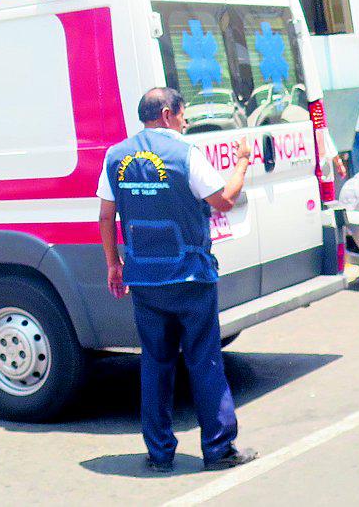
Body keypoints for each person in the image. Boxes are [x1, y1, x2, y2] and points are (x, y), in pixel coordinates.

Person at [99, 87, 258, 473]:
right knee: (204, 362)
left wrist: (113, 265)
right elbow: (223, 201)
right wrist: (241, 163)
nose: (185, 121)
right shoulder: (185, 154)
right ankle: (219, 451)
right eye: (183, 114)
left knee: (155, 365)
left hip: (145, 280)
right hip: (190, 278)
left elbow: (106, 216)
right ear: (168, 113)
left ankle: (159, 454)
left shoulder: (115, 156)